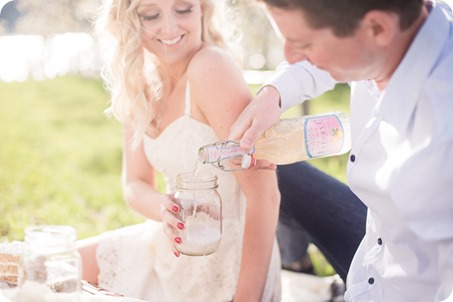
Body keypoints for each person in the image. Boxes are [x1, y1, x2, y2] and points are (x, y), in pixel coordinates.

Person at [229, 0, 453, 301]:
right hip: (370, 258)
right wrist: (274, 93)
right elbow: (320, 54)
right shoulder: (396, 36)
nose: (290, 56)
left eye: (303, 43)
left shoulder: (440, 135)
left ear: (377, 28)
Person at [77, 0, 282, 301]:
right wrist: (163, 207)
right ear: (131, 20)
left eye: (183, 9)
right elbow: (135, 184)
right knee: (47, 263)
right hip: (171, 247)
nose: (170, 27)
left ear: (203, 9)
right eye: (151, 14)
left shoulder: (211, 67)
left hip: (232, 268)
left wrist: (246, 298)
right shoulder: (140, 85)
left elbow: (265, 195)